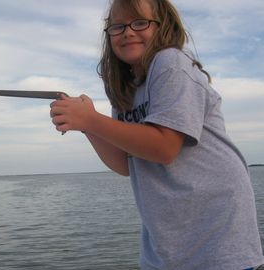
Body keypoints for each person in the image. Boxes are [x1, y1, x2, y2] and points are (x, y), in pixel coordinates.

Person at [50, 0, 264, 269]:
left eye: (140, 22)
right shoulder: (125, 90)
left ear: (164, 27)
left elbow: (164, 148)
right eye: (117, 27)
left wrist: (93, 119)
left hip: (217, 236)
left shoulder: (171, 63)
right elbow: (125, 164)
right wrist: (87, 126)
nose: (128, 32)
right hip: (166, 245)